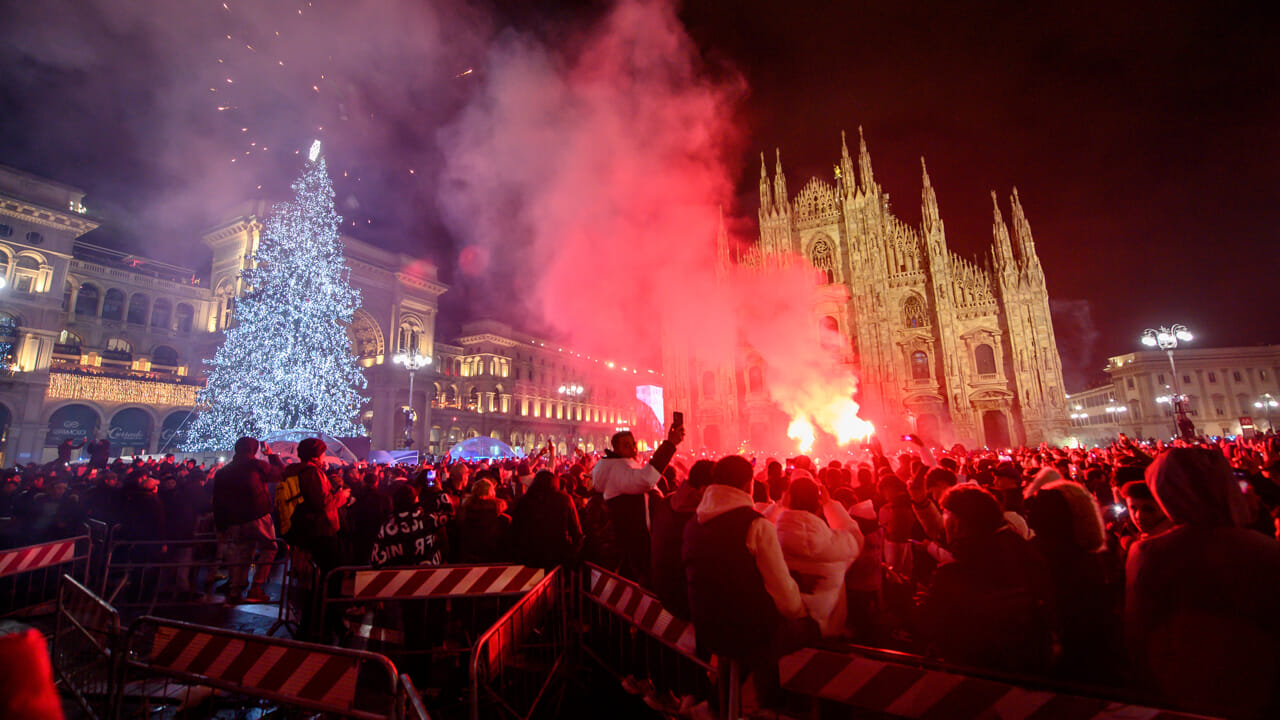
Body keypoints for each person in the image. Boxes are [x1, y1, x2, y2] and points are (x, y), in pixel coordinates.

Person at [1126, 448, 1280, 717]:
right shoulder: (1265, 548)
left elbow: (1138, 631)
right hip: (1262, 683)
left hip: (1184, 687)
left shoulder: (1149, 553)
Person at [683, 455, 810, 710]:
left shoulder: (693, 523)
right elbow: (783, 592)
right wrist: (801, 613)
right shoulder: (755, 525)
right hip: (748, 631)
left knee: (740, 649)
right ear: (746, 485)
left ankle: (719, 707)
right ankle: (773, 708)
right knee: (806, 630)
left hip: (707, 627)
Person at [915, 485, 1055, 674]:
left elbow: (931, 628)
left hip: (972, 675)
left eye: (945, 514)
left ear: (957, 522)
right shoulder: (1024, 551)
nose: (943, 521)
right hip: (1030, 669)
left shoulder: (957, 573)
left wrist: (901, 594)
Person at [591, 425, 683, 584]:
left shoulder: (621, 467)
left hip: (635, 540)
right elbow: (645, 480)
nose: (633, 448)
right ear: (617, 450)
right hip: (633, 543)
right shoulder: (617, 468)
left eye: (633, 444)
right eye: (626, 446)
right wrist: (669, 445)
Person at [775, 473, 864, 638]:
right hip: (826, 632)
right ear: (817, 504)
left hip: (782, 629)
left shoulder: (768, 540)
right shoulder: (837, 544)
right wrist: (830, 505)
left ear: (788, 499)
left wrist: (779, 506)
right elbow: (857, 538)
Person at [212, 437, 281, 603]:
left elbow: (218, 501)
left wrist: (221, 525)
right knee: (270, 547)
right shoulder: (257, 466)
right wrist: (271, 455)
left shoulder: (224, 472)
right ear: (253, 449)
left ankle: (235, 589)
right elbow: (280, 473)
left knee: (241, 553)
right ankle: (256, 586)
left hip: (235, 519)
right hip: (258, 515)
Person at [650, 459, 713, 620]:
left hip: (663, 593)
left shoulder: (665, 504)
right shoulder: (701, 517)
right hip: (689, 601)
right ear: (704, 489)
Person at [287, 437, 349, 574]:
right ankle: (325, 594)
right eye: (323, 453)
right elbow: (323, 502)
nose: (324, 456)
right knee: (330, 567)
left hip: (302, 525)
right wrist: (342, 496)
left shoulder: (294, 470)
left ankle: (310, 592)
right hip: (321, 528)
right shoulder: (313, 473)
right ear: (316, 455)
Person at [509, 470, 583, 570]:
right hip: (558, 553)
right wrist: (573, 552)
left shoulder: (524, 501)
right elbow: (575, 528)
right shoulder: (564, 500)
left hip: (531, 555)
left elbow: (515, 529)